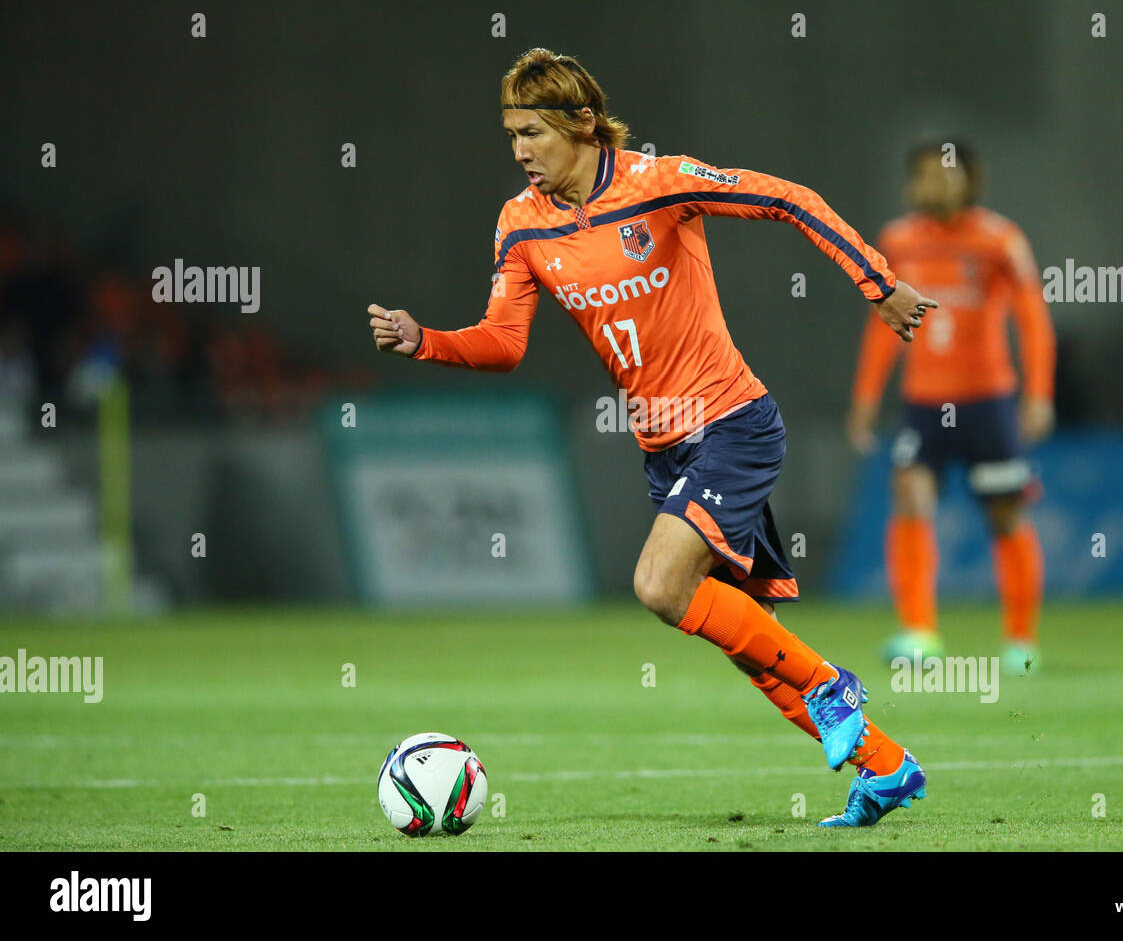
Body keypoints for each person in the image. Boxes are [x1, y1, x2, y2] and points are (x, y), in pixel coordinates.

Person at [369, 48, 938, 826]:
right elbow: (504, 342)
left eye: (532, 131)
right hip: (665, 450)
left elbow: (789, 199)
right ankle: (886, 768)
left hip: (733, 423)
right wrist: (425, 339)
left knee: (659, 587)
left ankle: (831, 685)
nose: (519, 151)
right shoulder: (521, 224)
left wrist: (877, 282)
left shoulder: (658, 184)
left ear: (581, 124)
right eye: (510, 135)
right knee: (754, 644)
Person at [847, 140, 1055, 673]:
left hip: (988, 401)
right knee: (910, 495)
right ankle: (920, 633)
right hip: (923, 402)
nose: (931, 185)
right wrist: (867, 397)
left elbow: (1031, 318)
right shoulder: (898, 241)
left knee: (1006, 513)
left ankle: (1020, 641)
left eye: (943, 174)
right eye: (921, 175)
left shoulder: (1000, 240)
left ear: (969, 180)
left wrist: (1038, 393)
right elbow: (883, 323)